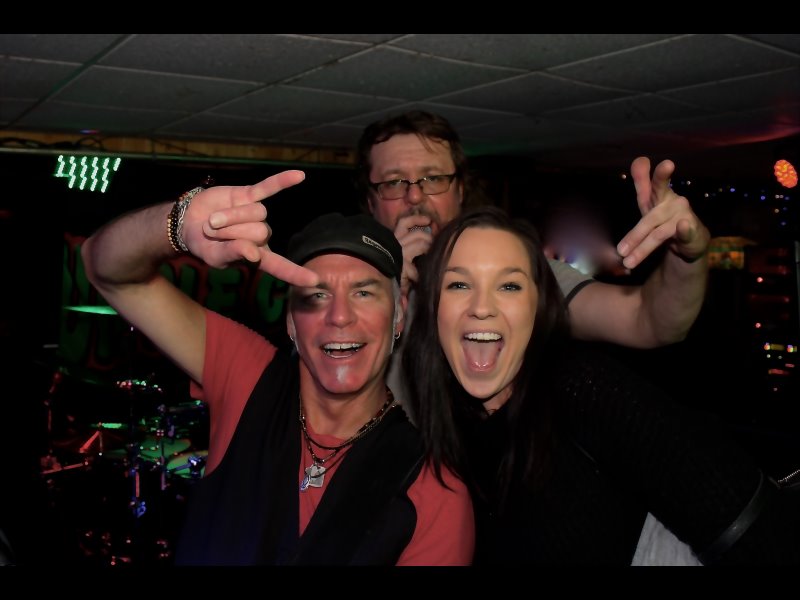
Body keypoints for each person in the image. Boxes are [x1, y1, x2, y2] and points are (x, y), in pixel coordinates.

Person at [81, 172, 474, 566]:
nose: (340, 316)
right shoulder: (248, 376)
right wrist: (179, 223)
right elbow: (106, 268)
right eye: (316, 295)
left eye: (364, 293)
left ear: (399, 316)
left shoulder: (433, 492)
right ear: (290, 322)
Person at [402, 205, 800, 565]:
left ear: (538, 307)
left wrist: (687, 257)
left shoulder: (584, 390)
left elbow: (752, 523)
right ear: (432, 307)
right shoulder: (440, 425)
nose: (481, 307)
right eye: (458, 285)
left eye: (509, 286)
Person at [356, 110, 710, 349]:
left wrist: (686, 257)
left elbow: (650, 322)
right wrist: (386, 289)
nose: (415, 196)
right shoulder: (342, 285)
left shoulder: (520, 272)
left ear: (460, 191)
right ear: (371, 202)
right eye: (393, 182)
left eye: (433, 178)